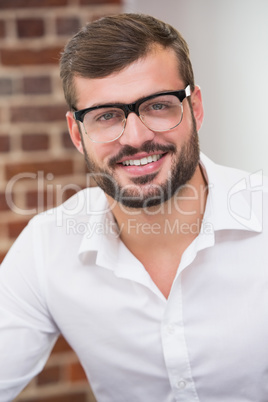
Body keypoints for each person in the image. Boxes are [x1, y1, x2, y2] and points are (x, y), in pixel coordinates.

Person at [0, 13, 268, 402]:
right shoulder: (45, 248)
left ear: (195, 108)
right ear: (77, 133)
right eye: (106, 116)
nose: (137, 137)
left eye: (158, 106)